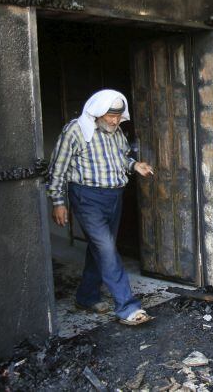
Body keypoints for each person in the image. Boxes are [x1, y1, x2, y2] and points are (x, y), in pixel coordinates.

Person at [47, 89, 154, 325]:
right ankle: (127, 307)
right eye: (110, 116)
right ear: (97, 113)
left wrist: (135, 165)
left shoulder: (116, 133)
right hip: (87, 198)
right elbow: (57, 168)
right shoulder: (76, 130)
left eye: (118, 116)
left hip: (113, 197)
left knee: (100, 248)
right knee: (106, 249)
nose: (115, 121)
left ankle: (86, 296)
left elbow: (120, 158)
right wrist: (58, 202)